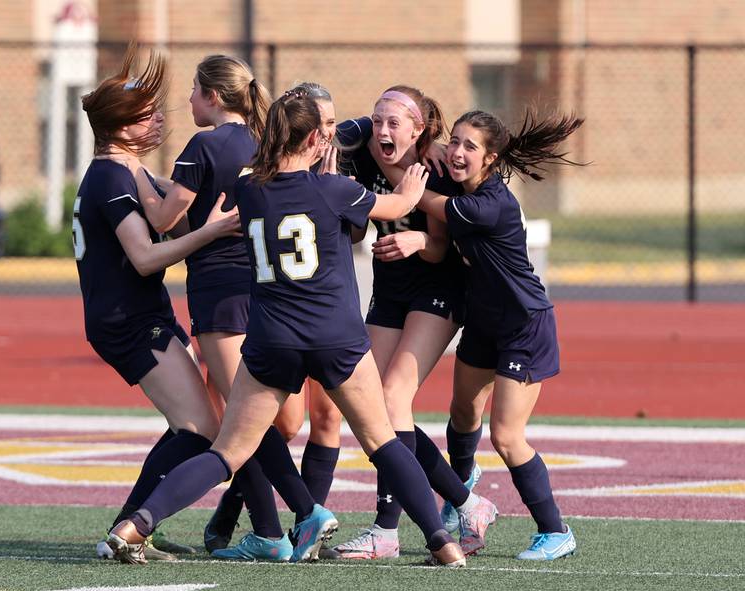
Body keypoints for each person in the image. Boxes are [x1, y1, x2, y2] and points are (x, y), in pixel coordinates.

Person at [104, 89, 466, 568]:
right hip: (334, 337)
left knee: (228, 453)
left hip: (272, 338)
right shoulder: (333, 188)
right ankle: (444, 543)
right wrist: (417, 178)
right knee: (382, 441)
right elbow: (398, 201)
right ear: (317, 139)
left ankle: (137, 524)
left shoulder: (251, 188)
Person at [132, 55, 325, 562]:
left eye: (195, 91)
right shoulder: (264, 142)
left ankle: (297, 517)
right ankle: (270, 525)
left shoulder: (205, 145)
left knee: (242, 423)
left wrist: (135, 174)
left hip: (219, 292)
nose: (189, 100)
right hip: (263, 286)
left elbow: (163, 219)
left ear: (214, 97)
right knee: (251, 420)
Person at [381, 107, 584, 560]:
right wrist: (425, 149)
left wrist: (406, 168)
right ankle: (463, 494)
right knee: (461, 417)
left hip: (523, 327)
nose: (456, 152)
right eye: (453, 141)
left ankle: (555, 529)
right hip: (483, 323)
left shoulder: (489, 204)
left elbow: (427, 202)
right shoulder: (458, 184)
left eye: (469, 146)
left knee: (506, 437)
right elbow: (435, 186)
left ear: (491, 159)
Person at [74, 44, 240, 561]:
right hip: (128, 320)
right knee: (203, 430)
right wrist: (210, 233)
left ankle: (129, 527)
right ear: (120, 128)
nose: (157, 121)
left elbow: (175, 211)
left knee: (187, 426)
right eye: (145, 116)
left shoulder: (131, 171)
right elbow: (145, 258)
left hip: (142, 314)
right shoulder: (109, 176)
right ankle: (131, 529)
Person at [332, 86, 496, 560]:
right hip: (389, 290)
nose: (383, 130)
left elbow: (442, 246)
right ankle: (468, 502)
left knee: (391, 397)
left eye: (395, 123)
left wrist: (416, 242)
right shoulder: (359, 156)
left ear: (419, 130)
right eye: (378, 120)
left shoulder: (437, 165)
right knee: (368, 403)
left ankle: (386, 529)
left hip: (437, 288)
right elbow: (355, 213)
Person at [207, 82, 344, 561]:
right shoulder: (247, 170)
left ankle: (304, 524)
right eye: (321, 126)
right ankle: (253, 519)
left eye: (333, 125)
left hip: (326, 305)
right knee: (275, 425)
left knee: (326, 418)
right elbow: (180, 212)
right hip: (261, 304)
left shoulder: (334, 167)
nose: (328, 134)